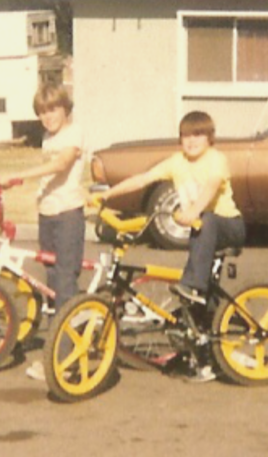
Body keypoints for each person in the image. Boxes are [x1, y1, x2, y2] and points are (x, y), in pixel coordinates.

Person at [95, 111, 246, 382]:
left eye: (198, 134)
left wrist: (193, 211)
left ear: (210, 138)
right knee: (197, 307)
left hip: (228, 227)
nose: (191, 141)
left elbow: (211, 186)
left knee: (206, 222)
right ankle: (203, 359)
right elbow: (142, 179)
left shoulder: (216, 159)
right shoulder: (177, 162)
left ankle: (194, 287)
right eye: (186, 135)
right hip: (202, 232)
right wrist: (106, 195)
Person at [1, 83, 86, 381]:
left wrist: (20, 176)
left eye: (53, 109)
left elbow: (62, 165)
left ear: (65, 108)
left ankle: (61, 359)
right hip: (48, 215)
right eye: (42, 112)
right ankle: (69, 334)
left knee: (63, 284)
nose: (47, 116)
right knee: (53, 284)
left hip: (67, 216)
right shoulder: (49, 137)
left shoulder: (73, 134)